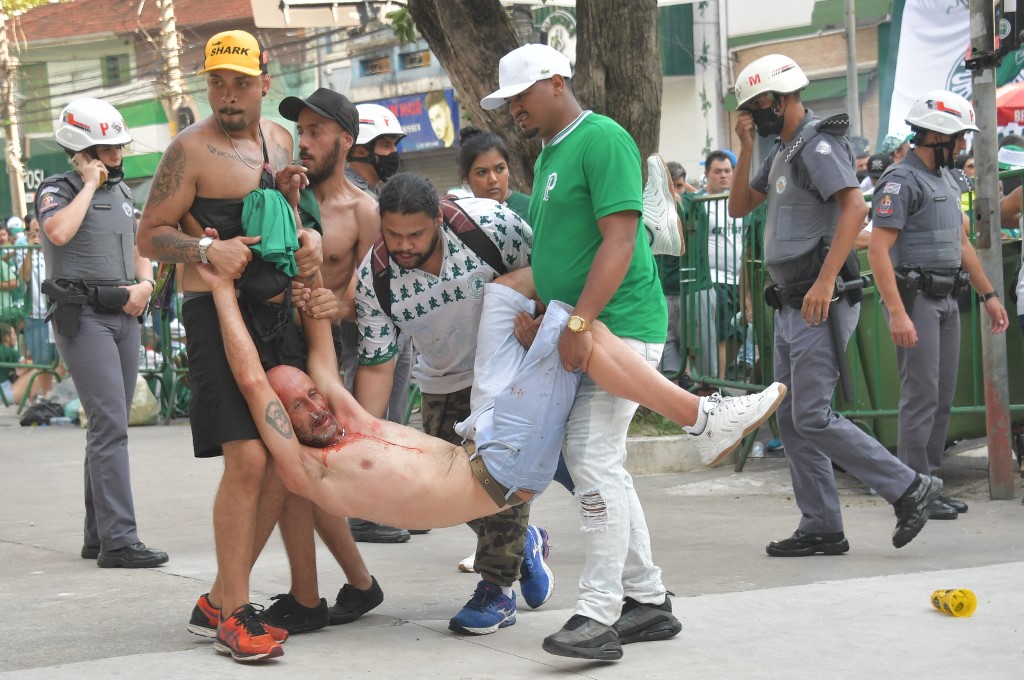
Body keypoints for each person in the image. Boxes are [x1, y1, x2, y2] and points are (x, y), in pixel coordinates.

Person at [201, 233, 785, 657]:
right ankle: (700, 416)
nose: (315, 405)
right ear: (284, 425)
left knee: (509, 295)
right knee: (577, 327)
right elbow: (254, 381)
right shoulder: (312, 469)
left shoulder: (349, 418)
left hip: (486, 434)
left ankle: (603, 246)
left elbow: (321, 349)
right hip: (501, 470)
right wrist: (221, 286)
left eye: (311, 395)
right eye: (299, 408)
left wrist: (307, 263)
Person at [481, 43, 785, 661]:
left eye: (520, 95)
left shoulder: (603, 139)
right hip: (581, 326)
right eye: (507, 101)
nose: (513, 109)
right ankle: (646, 599)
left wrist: (580, 320)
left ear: (557, 82)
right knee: (604, 466)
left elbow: (619, 241)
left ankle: (598, 611)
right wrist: (547, 313)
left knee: (591, 460)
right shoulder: (548, 155)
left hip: (616, 325)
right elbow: (566, 247)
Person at [137, 30, 322, 662]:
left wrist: (291, 200)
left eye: (240, 82)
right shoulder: (188, 151)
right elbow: (150, 234)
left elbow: (272, 216)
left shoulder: (279, 138)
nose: (228, 93)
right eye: (217, 81)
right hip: (216, 316)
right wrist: (206, 250)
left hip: (275, 317)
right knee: (247, 459)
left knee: (286, 457)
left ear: (264, 83)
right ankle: (234, 615)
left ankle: (222, 595)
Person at [728, 53, 946, 560]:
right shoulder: (783, 149)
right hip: (792, 303)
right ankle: (822, 524)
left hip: (818, 298)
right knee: (792, 419)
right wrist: (744, 145)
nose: (753, 115)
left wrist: (826, 282)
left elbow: (855, 206)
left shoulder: (817, 143)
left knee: (812, 415)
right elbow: (739, 204)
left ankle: (909, 487)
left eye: (757, 106)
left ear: (779, 99)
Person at [352, 172, 552, 636]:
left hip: (508, 370)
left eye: (416, 234)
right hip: (442, 380)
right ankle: (525, 543)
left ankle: (496, 592)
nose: (403, 245)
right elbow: (379, 364)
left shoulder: (489, 226)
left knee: (497, 477)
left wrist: (542, 318)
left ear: (438, 219)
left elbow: (550, 269)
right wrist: (365, 432)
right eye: (393, 234)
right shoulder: (374, 277)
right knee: (452, 494)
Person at [262, 86, 386, 629]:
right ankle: (354, 584)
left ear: (346, 140)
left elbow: (383, 302)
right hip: (277, 344)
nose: (305, 143)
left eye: (317, 132)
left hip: (328, 357)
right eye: (301, 132)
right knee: (300, 476)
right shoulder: (283, 197)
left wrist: (342, 306)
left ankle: (315, 595)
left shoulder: (365, 211)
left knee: (305, 475)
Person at [36, 97, 168, 570]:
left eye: (117, 148)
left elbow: (141, 245)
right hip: (84, 316)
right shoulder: (57, 189)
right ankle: (120, 541)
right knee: (110, 423)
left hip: (125, 314)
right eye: (106, 150)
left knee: (110, 426)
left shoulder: (127, 194)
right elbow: (58, 233)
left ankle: (99, 535)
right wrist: (88, 184)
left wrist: (147, 285)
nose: (117, 157)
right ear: (84, 150)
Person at [868, 90, 1009, 521]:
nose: (963, 147)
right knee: (920, 398)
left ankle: (929, 484)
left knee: (941, 397)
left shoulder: (947, 178)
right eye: (959, 138)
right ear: (934, 135)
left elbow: (961, 243)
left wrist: (989, 295)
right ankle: (911, 491)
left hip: (949, 301)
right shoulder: (899, 181)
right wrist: (895, 311)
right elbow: (877, 251)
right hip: (918, 303)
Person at [342, 101, 415, 542]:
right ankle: (365, 511)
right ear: (360, 150)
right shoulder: (350, 197)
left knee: (397, 416)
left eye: (393, 143)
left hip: (399, 317)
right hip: (367, 323)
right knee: (370, 416)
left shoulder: (381, 196)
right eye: (384, 144)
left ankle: (395, 501)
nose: (392, 152)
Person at [684, 150, 746, 379]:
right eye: (717, 171)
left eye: (728, 171)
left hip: (742, 280)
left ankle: (717, 379)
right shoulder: (700, 202)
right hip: (714, 279)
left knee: (738, 335)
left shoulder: (738, 202)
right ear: (707, 174)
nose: (723, 176)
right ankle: (715, 383)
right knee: (722, 333)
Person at [456, 125, 530, 220]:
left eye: (500, 169)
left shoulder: (531, 209)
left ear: (508, 169)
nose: (493, 179)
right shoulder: (465, 221)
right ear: (466, 178)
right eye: (482, 172)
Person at [18, 215, 56, 396]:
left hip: (57, 312)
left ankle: (62, 394)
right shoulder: (24, 251)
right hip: (35, 314)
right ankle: (47, 394)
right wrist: (30, 251)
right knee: (42, 361)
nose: (37, 236)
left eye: (39, 232)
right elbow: (23, 277)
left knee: (64, 359)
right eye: (33, 232)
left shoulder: (55, 248)